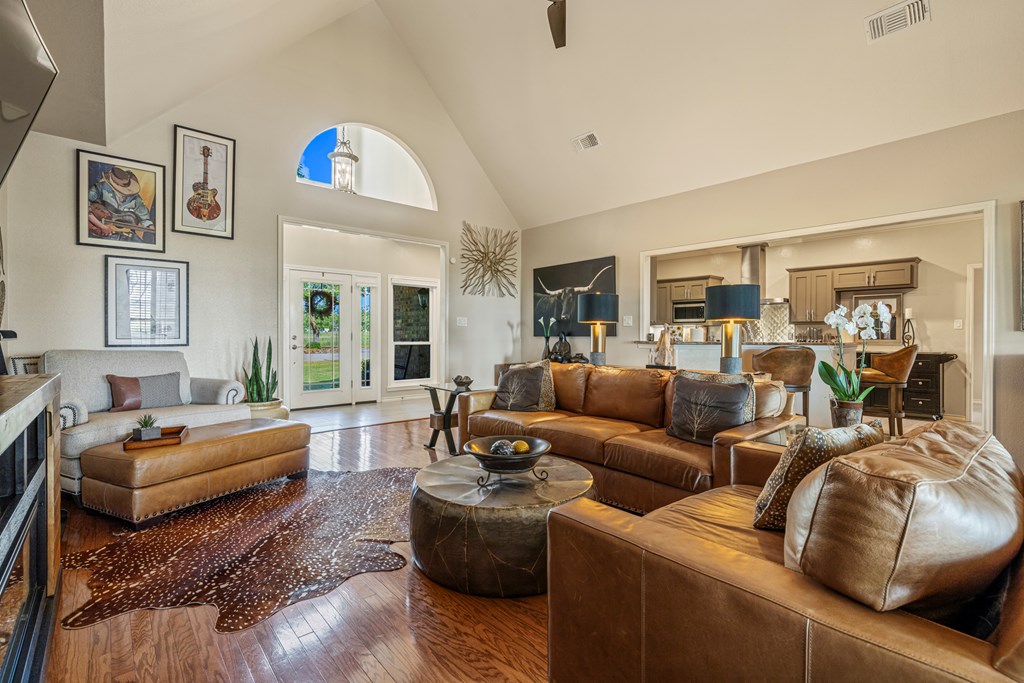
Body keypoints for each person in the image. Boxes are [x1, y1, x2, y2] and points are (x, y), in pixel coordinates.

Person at [87, 166, 154, 242]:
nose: (125, 192)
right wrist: (101, 226)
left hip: (127, 235)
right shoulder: (99, 188)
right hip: (100, 232)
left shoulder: (135, 198)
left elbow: (145, 219)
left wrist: (151, 228)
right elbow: (84, 207)